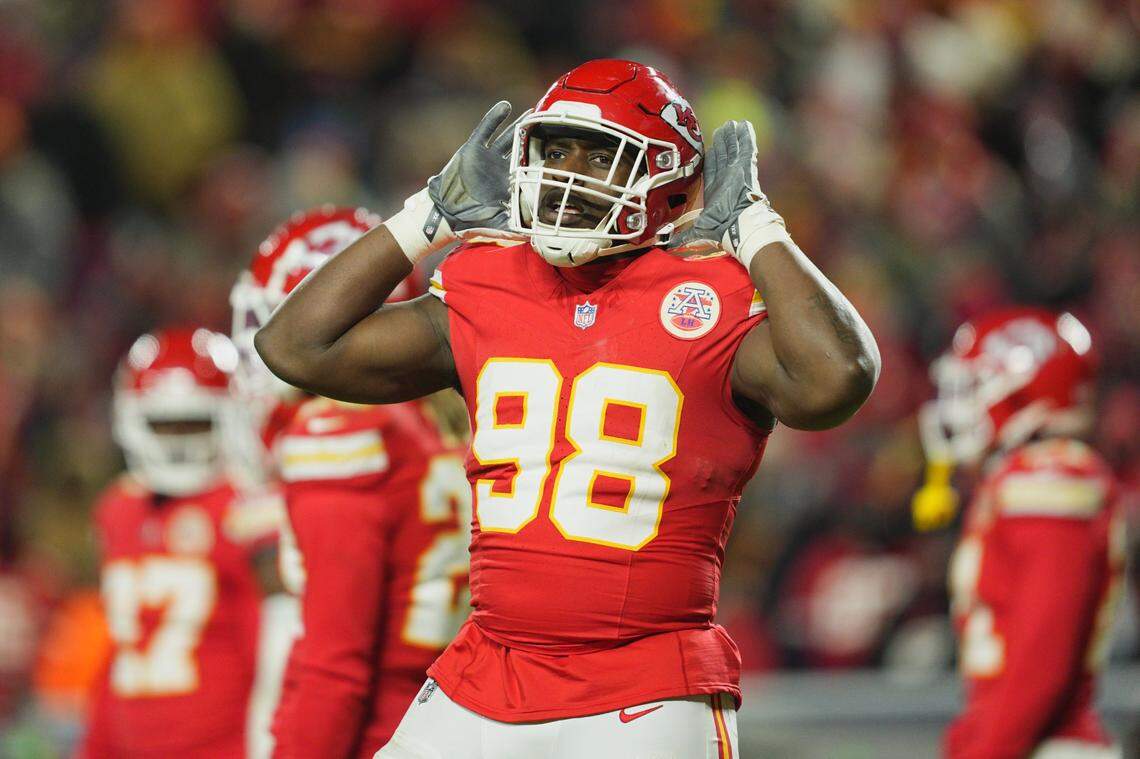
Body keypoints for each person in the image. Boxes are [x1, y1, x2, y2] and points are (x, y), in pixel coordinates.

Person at [256, 59, 880, 757]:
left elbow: (839, 378)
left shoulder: (715, 294)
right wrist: (425, 218)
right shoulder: (488, 278)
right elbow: (295, 346)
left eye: (602, 156)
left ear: (668, 177)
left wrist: (759, 231)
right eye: (556, 151)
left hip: (645, 688)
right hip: (487, 672)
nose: (569, 175)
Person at [231, 207, 471, 758]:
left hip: (377, 736)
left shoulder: (340, 435)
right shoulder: (442, 418)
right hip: (450, 721)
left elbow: (333, 671)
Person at [914, 307, 1126, 759]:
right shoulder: (1018, 480)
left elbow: (1041, 658)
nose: (959, 406)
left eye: (974, 387)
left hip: (1041, 744)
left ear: (1026, 390)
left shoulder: (1050, 479)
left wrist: (987, 749)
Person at [81, 327, 273, 758]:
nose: (179, 443)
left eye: (194, 423)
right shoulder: (119, 509)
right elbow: (121, 650)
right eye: (164, 425)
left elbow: (271, 661)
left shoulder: (245, 512)